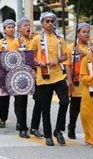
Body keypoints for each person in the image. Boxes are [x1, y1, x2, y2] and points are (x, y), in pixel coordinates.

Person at [29, 12, 68, 146]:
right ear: (42, 23)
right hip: (44, 76)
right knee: (45, 107)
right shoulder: (37, 39)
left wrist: (57, 60)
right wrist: (39, 62)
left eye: (52, 21)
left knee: (65, 101)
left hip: (58, 75)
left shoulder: (60, 38)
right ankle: (48, 135)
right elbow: (29, 56)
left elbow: (65, 56)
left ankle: (58, 130)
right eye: (47, 21)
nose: (50, 23)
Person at [7, 17, 33, 138]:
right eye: (25, 25)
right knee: (21, 102)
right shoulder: (15, 43)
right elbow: (11, 60)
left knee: (40, 100)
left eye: (29, 25)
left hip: (36, 75)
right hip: (21, 76)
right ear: (19, 29)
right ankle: (22, 127)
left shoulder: (35, 40)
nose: (28, 27)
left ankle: (35, 126)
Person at [64, 22, 90, 139]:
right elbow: (68, 65)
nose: (86, 34)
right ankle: (72, 127)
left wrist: (83, 52)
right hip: (76, 82)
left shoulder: (91, 47)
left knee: (88, 109)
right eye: (84, 32)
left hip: (88, 83)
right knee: (75, 108)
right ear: (78, 34)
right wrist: (69, 81)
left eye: (88, 32)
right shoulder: (71, 48)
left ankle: (89, 131)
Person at [0, 19, 16, 129]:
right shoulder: (0, 43)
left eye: (13, 27)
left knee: (19, 98)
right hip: (4, 74)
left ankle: (20, 120)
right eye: (9, 27)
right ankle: (3, 119)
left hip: (16, 74)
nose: (11, 29)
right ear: (4, 30)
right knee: (3, 98)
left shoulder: (18, 42)